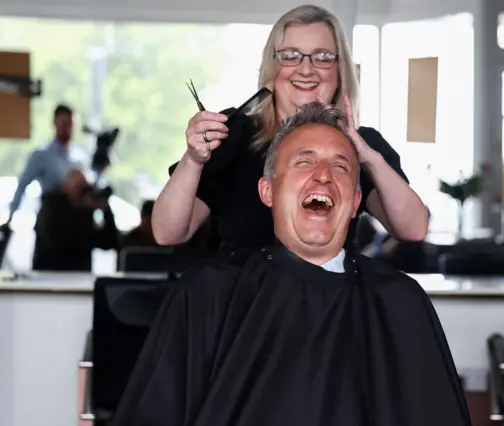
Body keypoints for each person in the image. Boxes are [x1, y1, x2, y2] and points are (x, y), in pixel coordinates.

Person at [110, 102, 470, 426]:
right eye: (304, 162)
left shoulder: (398, 302)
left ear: (357, 199)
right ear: (267, 191)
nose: (323, 176)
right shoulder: (209, 294)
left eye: (340, 167)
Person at [152, 4, 429, 258]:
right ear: (273, 66)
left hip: (330, 304)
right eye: (291, 56)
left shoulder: (361, 145)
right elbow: (168, 233)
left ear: (339, 69)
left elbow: (413, 230)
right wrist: (193, 159)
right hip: (242, 305)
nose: (306, 69)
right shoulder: (233, 135)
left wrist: (368, 158)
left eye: (322, 57)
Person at [6, 104, 81, 223]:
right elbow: (22, 185)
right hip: (52, 217)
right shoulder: (42, 155)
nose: (67, 128)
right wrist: (11, 216)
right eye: (64, 124)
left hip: (76, 219)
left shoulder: (79, 157)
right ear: (55, 123)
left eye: (70, 124)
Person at [32, 169, 119, 271]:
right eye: (79, 187)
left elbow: (108, 242)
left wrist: (106, 209)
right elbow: (57, 242)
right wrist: (81, 209)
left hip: (79, 276)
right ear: (65, 186)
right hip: (49, 274)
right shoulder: (50, 206)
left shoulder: (84, 212)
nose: (83, 192)